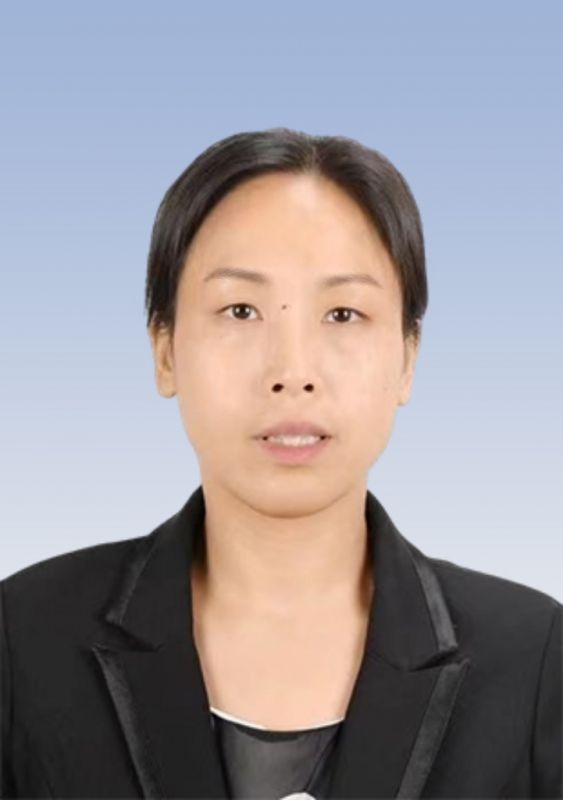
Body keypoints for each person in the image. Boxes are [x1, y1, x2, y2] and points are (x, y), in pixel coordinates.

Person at [1, 128, 561, 800]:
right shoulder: (25, 639)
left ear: (407, 358)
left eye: (343, 313)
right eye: (241, 310)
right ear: (165, 349)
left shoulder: (533, 660)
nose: (293, 372)